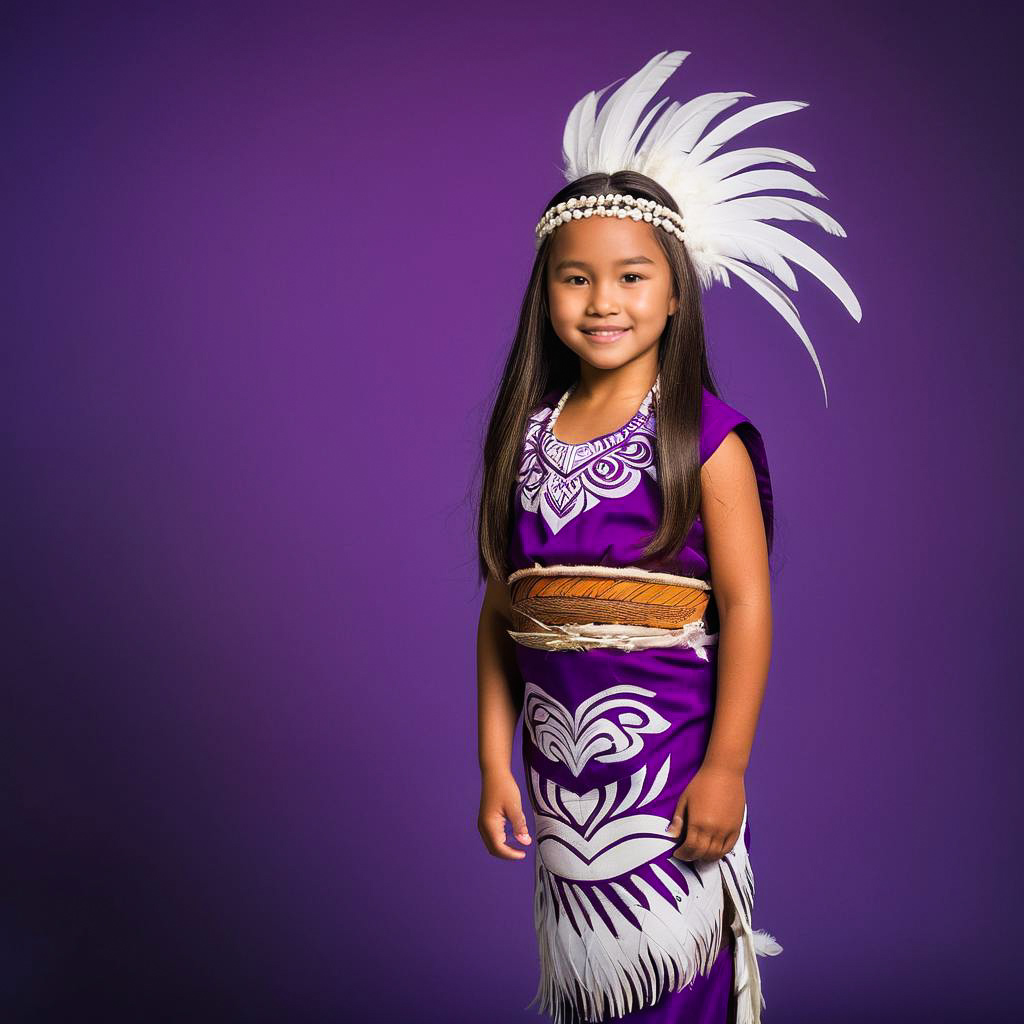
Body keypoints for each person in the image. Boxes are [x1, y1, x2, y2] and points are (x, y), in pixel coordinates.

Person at [475, 51, 859, 1024]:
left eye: (631, 276)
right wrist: (491, 760)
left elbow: (745, 603)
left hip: (670, 775)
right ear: (546, 294)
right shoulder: (526, 437)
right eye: (576, 278)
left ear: (677, 291)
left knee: (671, 988)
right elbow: (500, 604)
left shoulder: (706, 439)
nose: (602, 300)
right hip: (562, 789)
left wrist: (726, 763)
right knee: (587, 991)